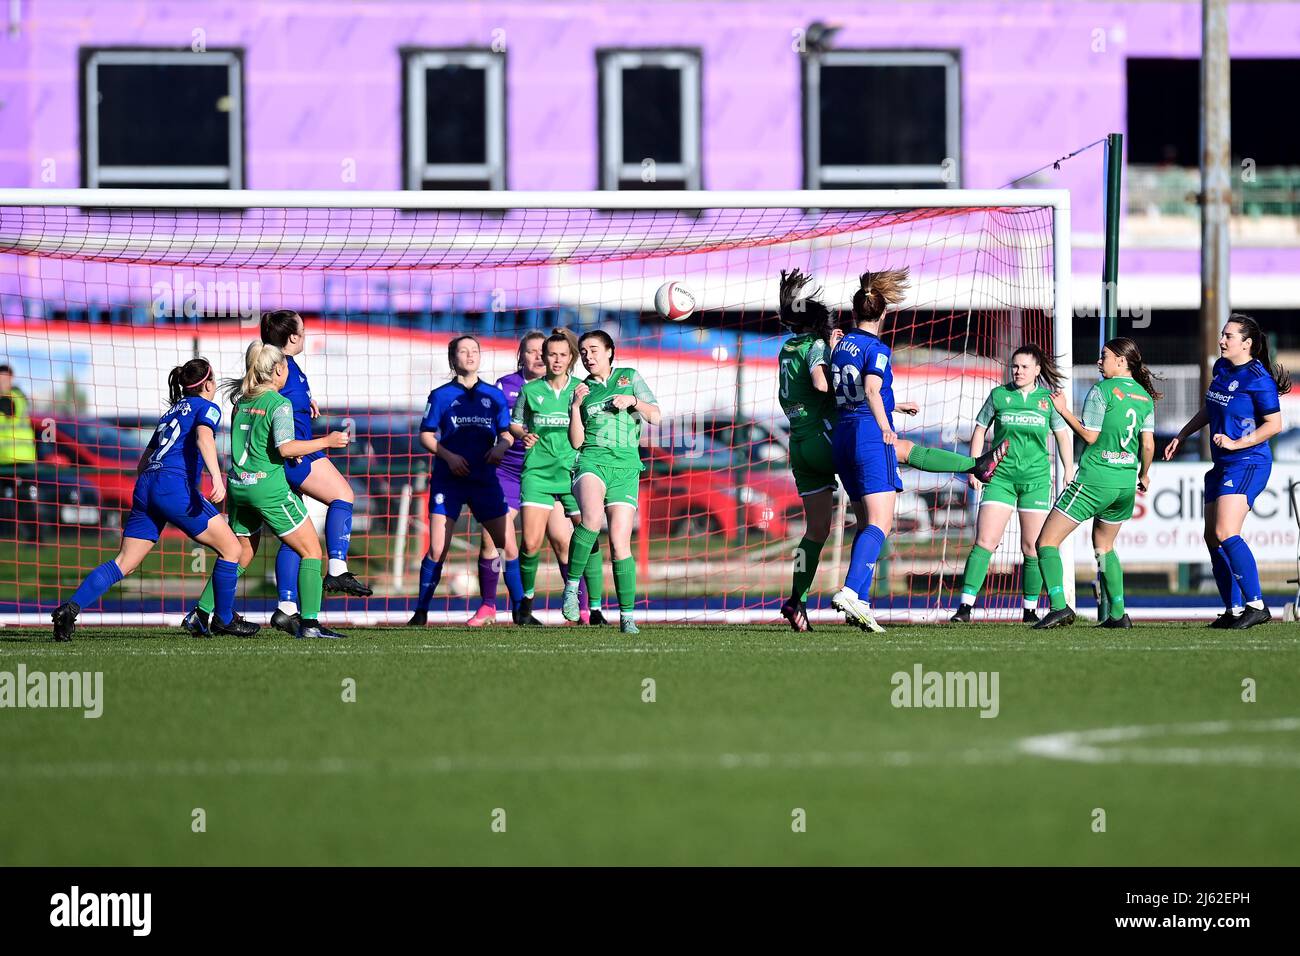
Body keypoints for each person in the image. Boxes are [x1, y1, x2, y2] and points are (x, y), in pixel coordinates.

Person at [829, 268, 1009, 633]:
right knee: (881, 523)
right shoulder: (876, 348)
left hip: (844, 436)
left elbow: (849, 392)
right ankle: (850, 591)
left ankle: (860, 601)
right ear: (882, 314)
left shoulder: (841, 347)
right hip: (867, 433)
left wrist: (894, 408)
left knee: (867, 522)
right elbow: (870, 390)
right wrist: (884, 424)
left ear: (854, 312)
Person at [52, 359, 258, 641]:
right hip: (173, 487)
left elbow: (143, 461)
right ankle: (222, 619)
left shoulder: (170, 413)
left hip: (146, 485)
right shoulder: (207, 407)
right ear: (208, 384)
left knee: (124, 562)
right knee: (232, 550)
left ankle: (69, 610)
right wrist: (217, 478)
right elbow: (204, 438)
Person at [1165, 313, 1289, 629]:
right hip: (1222, 464)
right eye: (1222, 334)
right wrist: (1182, 434)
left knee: (1226, 532)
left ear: (1246, 344)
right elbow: (1212, 407)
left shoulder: (1258, 378)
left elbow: (1275, 425)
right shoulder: (1222, 368)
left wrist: (1237, 443)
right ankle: (1233, 609)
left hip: (1248, 463)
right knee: (1212, 537)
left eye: (1229, 336)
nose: (1222, 340)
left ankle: (1257, 606)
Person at [1033, 338, 1161, 630]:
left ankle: (1058, 606)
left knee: (1046, 543)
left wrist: (1063, 410)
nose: (1099, 361)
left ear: (1121, 361)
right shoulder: (1144, 397)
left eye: (1104, 356)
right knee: (1105, 547)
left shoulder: (1102, 390)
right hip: (1125, 483)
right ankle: (1118, 614)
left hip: (1095, 480)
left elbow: (1090, 436)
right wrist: (1144, 474)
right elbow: (1149, 444)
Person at [259, 310, 371, 637]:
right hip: (295, 454)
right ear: (292, 337)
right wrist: (324, 439)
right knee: (343, 495)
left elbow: (269, 395)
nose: (306, 335)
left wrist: (305, 402)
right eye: (303, 331)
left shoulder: (279, 365)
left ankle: (286, 608)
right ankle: (337, 569)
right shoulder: (282, 366)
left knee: (296, 535)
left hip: (281, 457)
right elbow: (266, 395)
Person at [950, 346, 1075, 624]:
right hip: (1001, 479)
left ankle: (1029, 610)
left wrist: (1068, 470)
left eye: (1024, 367)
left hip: (1036, 481)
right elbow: (980, 430)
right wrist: (974, 467)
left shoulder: (1048, 400)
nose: (1018, 371)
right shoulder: (999, 395)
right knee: (985, 541)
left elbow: (1062, 437)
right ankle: (965, 608)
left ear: (1037, 370)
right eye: (1015, 366)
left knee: (1032, 547)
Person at [408, 335, 516, 626]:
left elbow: (506, 434)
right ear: (453, 359)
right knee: (437, 548)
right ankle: (420, 612)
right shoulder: (440, 395)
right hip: (449, 480)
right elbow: (426, 435)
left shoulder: (494, 395)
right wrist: (449, 457)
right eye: (463, 351)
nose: (469, 356)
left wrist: (501, 448)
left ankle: (521, 612)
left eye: (474, 351)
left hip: (484, 479)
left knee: (508, 545)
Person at [560, 330, 661, 634]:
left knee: (619, 544)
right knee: (591, 519)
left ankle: (627, 616)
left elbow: (655, 415)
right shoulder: (580, 390)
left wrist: (634, 401)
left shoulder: (629, 376)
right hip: (591, 461)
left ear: (609, 351)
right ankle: (571, 589)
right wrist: (575, 408)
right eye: (584, 351)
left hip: (626, 468)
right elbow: (576, 442)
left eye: (594, 350)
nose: (588, 356)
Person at [511, 328, 606, 625]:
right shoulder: (530, 391)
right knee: (529, 543)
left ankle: (596, 609)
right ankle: (526, 601)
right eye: (551, 354)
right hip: (537, 474)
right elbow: (515, 424)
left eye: (563, 354)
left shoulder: (582, 390)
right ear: (544, 357)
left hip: (573, 476)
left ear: (571, 358)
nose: (556, 359)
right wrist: (523, 435)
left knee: (588, 542)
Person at [774, 269, 840, 632]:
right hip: (822, 438)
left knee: (816, 531)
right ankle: (855, 594)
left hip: (798, 444)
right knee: (873, 515)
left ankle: (796, 600)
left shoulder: (786, 348)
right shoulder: (815, 347)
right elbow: (819, 382)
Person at [0, 363, 37, 467]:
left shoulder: (12, 398)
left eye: (4, 380)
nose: (1, 383)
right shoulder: (16, 396)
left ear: (11, 378)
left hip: (18, 461)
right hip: (6, 460)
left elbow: (6, 406)